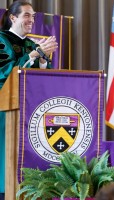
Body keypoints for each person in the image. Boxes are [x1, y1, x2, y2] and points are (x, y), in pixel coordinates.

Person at [0, 1, 58, 199]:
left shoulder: (33, 44)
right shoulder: (1, 40)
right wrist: (34, 54)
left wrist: (43, 61)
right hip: (5, 113)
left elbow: (45, 80)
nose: (31, 20)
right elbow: (5, 73)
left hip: (32, 113)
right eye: (26, 15)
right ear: (13, 17)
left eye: (33, 16)